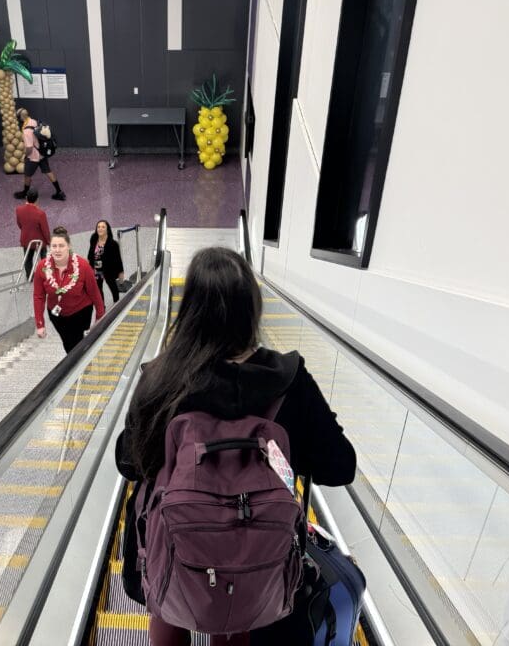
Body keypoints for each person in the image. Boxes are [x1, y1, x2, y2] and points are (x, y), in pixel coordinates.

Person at [115, 247, 357, 646]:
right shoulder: (290, 380)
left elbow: (128, 462)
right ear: (252, 308)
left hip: (171, 550)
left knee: (167, 591)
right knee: (245, 602)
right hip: (257, 564)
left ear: (189, 308)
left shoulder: (160, 378)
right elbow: (340, 467)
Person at [33, 226, 104, 353]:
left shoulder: (82, 266)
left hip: (80, 312)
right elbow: (38, 296)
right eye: (54, 246)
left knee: (74, 343)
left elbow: (94, 292)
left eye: (61, 246)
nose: (57, 250)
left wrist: (100, 316)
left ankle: (78, 364)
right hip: (57, 315)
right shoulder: (41, 267)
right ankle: (79, 362)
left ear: (69, 246)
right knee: (67, 341)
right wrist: (40, 323)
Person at [13, 107, 65, 201]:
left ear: (21, 118)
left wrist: (26, 155)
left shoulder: (26, 132)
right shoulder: (34, 121)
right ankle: (59, 192)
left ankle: (25, 192)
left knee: (27, 174)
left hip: (33, 156)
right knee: (48, 171)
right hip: (42, 153)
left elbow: (29, 147)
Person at [87, 220, 125, 304]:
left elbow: (118, 260)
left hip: (108, 270)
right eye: (98, 227)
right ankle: (102, 307)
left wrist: (121, 273)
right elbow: (90, 253)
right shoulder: (94, 238)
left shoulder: (113, 244)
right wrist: (89, 267)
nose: (100, 229)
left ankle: (117, 304)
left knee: (113, 288)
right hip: (96, 271)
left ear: (107, 230)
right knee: (98, 290)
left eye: (103, 227)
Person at [16, 187, 50, 279]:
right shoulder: (40, 213)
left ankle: (29, 276)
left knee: (28, 259)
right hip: (40, 241)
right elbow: (45, 230)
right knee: (43, 259)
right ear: (37, 199)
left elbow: (19, 224)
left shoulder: (18, 210)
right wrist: (49, 241)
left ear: (26, 198)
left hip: (26, 239)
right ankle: (44, 276)